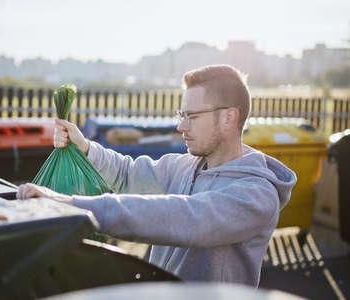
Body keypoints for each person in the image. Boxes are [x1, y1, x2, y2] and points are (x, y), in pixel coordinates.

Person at [17, 64, 297, 287]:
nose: (180, 126)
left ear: (228, 118)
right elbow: (128, 173)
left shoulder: (256, 195)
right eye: (181, 114)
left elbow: (183, 216)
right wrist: (85, 146)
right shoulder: (185, 165)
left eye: (192, 116)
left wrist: (69, 206)